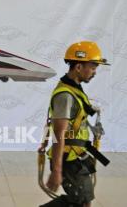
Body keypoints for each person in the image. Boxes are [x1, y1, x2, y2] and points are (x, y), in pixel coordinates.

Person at [40, 41, 109, 207]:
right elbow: (58, 135)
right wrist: (57, 171)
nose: (94, 72)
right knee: (80, 203)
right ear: (78, 67)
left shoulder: (74, 89)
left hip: (78, 156)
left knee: (83, 201)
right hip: (69, 160)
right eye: (92, 67)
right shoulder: (65, 95)